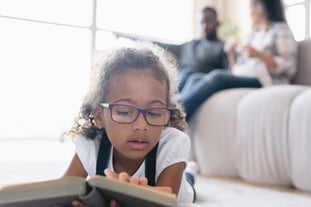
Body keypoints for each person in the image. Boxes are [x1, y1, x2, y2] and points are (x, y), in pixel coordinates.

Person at [57, 42, 196, 207]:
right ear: (99, 115)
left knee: (188, 183)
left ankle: (190, 172)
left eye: (154, 113)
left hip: (183, 191)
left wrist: (127, 194)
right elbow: (62, 192)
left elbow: (164, 202)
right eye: (124, 112)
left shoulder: (172, 143)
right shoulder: (90, 144)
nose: (141, 125)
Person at [178, 0, 298, 121]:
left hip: (264, 79)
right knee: (195, 77)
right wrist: (232, 54)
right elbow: (237, 68)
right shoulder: (254, 34)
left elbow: (289, 66)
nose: (249, 12)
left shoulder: (280, 30)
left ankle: (176, 117)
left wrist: (259, 55)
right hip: (245, 74)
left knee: (217, 76)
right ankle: (175, 110)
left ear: (262, 8)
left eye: (251, 8)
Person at [114, 6, 228, 91]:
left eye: (208, 21)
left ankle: (173, 112)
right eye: (201, 22)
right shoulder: (188, 46)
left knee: (191, 74)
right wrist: (126, 37)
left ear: (216, 22)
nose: (204, 26)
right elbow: (157, 43)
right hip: (182, 78)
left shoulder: (223, 46)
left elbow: (227, 71)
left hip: (199, 80)